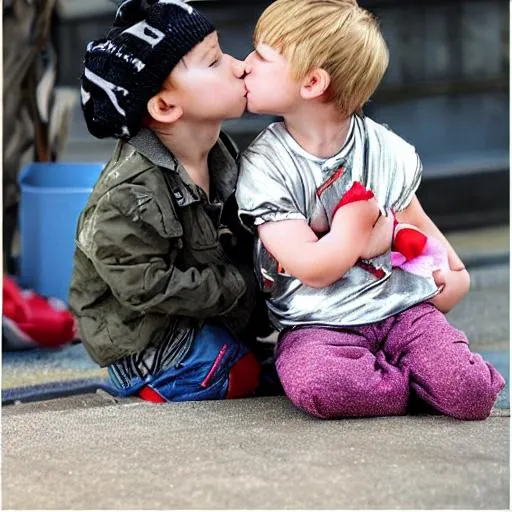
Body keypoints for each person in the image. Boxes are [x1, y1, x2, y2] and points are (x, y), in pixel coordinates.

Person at [236, 0, 505, 420]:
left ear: (312, 82)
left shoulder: (383, 150)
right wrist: (354, 229)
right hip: (319, 325)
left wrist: (431, 261)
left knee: (471, 392)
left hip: (403, 312)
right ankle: (406, 382)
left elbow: (433, 248)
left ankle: (419, 374)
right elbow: (312, 266)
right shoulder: (265, 164)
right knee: (320, 386)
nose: (243, 65)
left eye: (261, 55)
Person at [69, 0, 273, 403]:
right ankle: (152, 384)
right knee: (238, 374)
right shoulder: (130, 194)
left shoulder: (221, 154)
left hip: (204, 312)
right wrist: (241, 285)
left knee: (280, 359)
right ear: (164, 107)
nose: (239, 65)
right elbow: (144, 287)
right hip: (143, 337)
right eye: (214, 61)